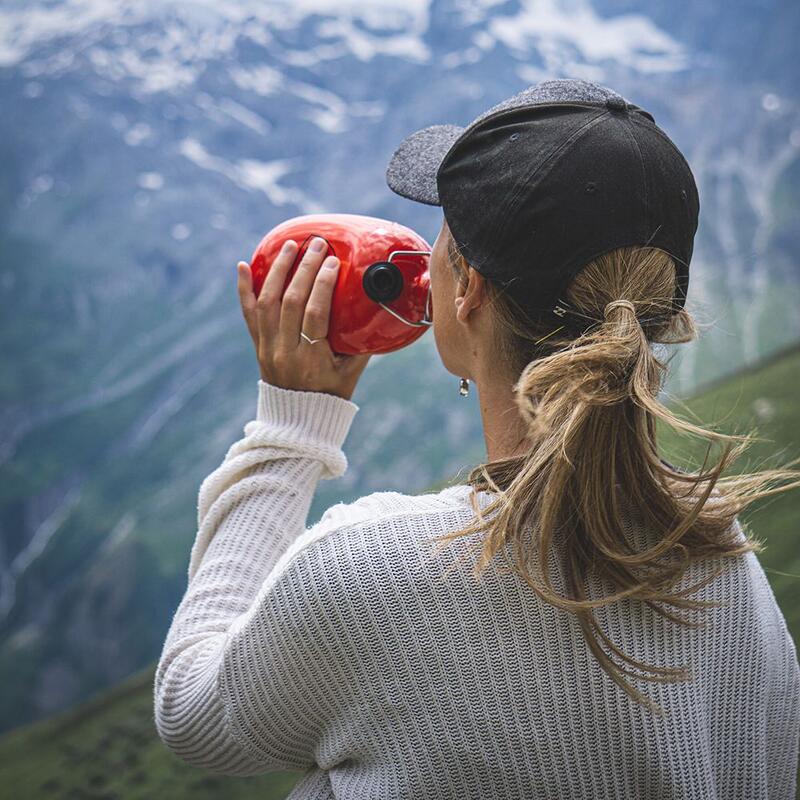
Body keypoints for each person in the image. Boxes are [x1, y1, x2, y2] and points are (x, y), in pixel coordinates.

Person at [153, 78, 800, 799]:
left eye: (443, 231)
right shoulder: (719, 557)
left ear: (469, 291)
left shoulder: (367, 570)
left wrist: (290, 429)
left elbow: (190, 711)